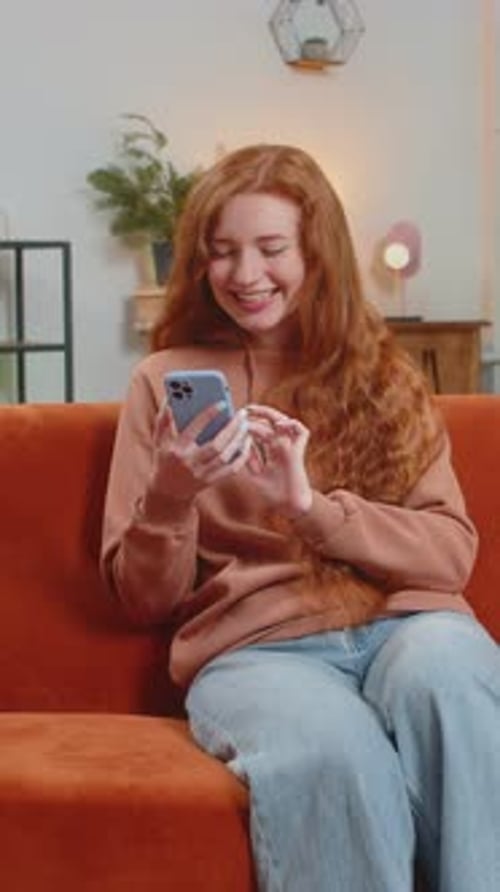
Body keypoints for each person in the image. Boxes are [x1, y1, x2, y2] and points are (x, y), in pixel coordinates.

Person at [100, 144, 500, 892]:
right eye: (221, 253)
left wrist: (310, 511)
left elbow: (450, 556)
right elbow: (141, 600)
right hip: (259, 653)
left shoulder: (385, 374)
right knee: (332, 752)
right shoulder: (163, 383)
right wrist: (172, 495)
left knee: (452, 677)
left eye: (270, 248)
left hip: (409, 624)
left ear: (317, 253)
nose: (245, 275)